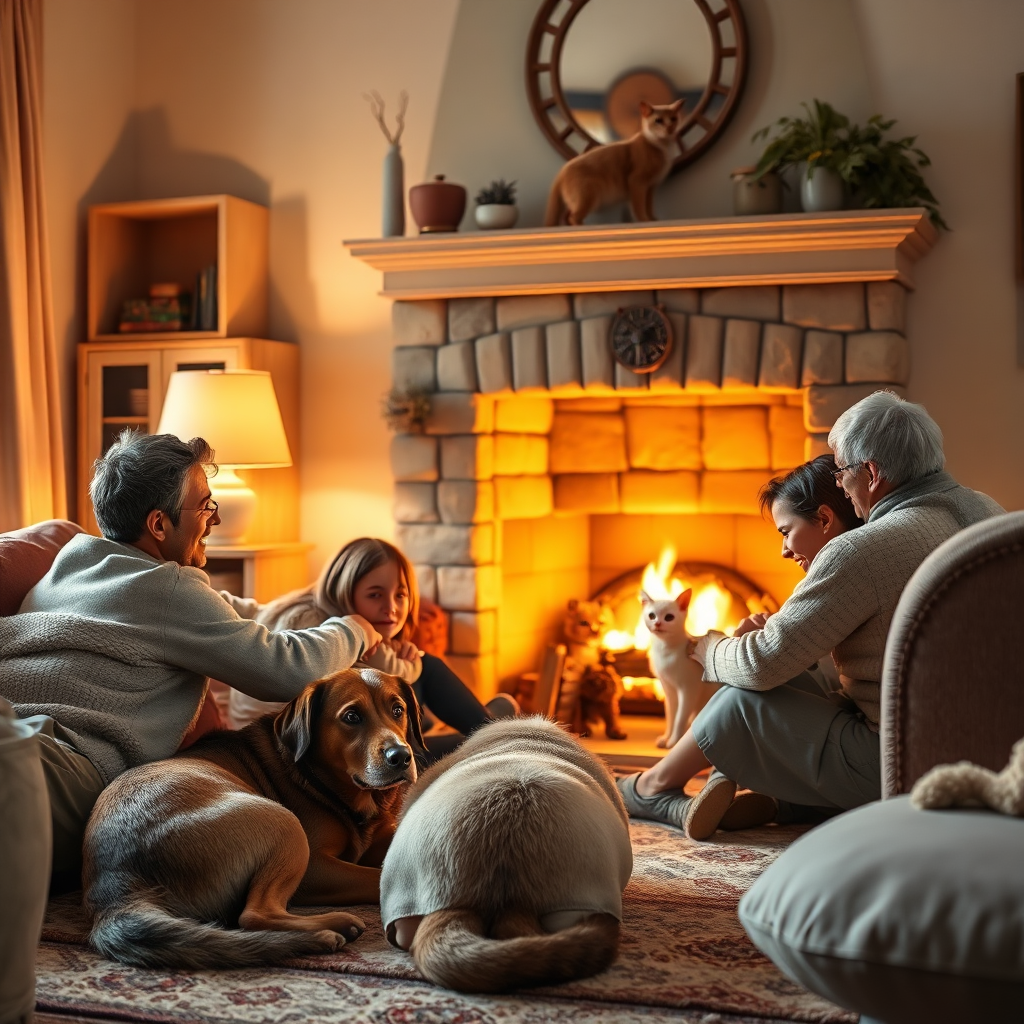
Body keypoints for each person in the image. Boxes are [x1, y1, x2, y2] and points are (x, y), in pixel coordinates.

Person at [0, 430, 385, 886]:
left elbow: (229, 613)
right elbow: (289, 670)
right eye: (204, 506)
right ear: (159, 525)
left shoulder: (76, 561)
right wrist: (354, 627)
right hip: (60, 769)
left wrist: (307, 611)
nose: (215, 518)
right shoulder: (169, 592)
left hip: (20, 736)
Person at [616, 392, 1004, 839]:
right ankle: (789, 802)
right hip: (996, 757)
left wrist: (709, 648)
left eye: (841, 471)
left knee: (743, 700)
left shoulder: (864, 548)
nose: (839, 485)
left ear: (871, 474)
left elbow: (761, 665)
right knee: (797, 680)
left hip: (904, 768)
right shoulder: (990, 513)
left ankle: (651, 788)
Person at [228, 537, 517, 758]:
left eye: (400, 595)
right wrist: (412, 662)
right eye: (375, 595)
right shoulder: (332, 632)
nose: (391, 608)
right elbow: (392, 674)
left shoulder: (303, 608)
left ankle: (492, 729)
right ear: (344, 590)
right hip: (298, 754)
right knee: (427, 670)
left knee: (423, 694)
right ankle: (497, 734)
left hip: (301, 741)